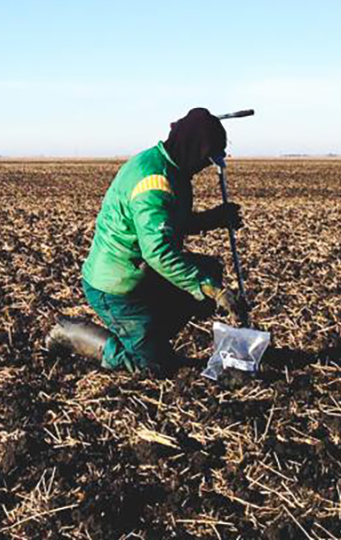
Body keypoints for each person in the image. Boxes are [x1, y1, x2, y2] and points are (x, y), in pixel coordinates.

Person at [46, 107, 247, 375]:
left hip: (142, 273)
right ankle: (74, 335)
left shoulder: (168, 165)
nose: (205, 167)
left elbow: (169, 222)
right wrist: (214, 290)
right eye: (206, 160)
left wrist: (212, 219)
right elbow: (159, 251)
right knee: (153, 366)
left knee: (208, 273)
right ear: (193, 150)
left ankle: (149, 335)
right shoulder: (154, 183)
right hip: (117, 287)